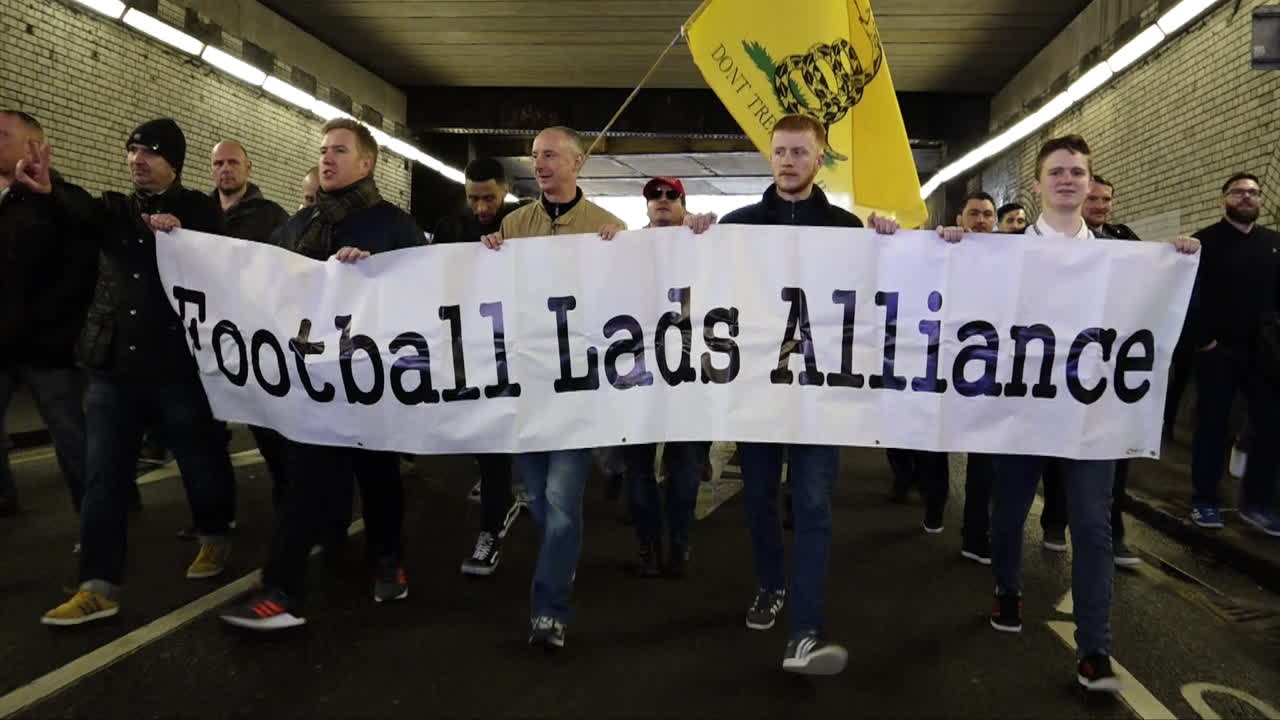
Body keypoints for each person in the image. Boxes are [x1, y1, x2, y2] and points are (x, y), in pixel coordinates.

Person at [939, 135, 1200, 691]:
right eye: (1056, 171)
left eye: (1077, 172)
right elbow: (958, 298)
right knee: (1008, 512)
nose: (1067, 179)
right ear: (1037, 185)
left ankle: (1095, 651)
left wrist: (1176, 264)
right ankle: (1008, 588)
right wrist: (950, 246)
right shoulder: (1001, 250)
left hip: (1091, 415)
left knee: (1093, 526)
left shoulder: (1121, 258)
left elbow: (1151, 317)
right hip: (1022, 411)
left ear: (1089, 181)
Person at [219, 119, 423, 631]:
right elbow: (269, 280)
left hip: (372, 381)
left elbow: (424, 297)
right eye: (323, 150)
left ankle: (387, 562)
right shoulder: (299, 225)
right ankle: (281, 590)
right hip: (314, 383)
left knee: (378, 480)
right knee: (303, 486)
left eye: (339, 150)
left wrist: (373, 273)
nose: (327, 158)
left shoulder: (395, 227)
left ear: (366, 163)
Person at [721, 114, 900, 675]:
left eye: (800, 152)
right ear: (769, 156)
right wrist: (694, 235)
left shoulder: (849, 229)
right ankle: (772, 583)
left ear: (820, 160)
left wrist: (891, 244)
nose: (788, 160)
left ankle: (805, 629)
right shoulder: (735, 225)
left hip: (821, 397)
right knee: (757, 502)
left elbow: (879, 296)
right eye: (780, 151)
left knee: (815, 505)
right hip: (757, 395)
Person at [42, 118, 236, 626]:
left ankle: (213, 535)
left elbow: (223, 262)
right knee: (104, 474)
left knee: (200, 456)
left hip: (178, 366)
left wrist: (183, 234)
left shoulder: (198, 209)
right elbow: (82, 213)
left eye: (149, 152)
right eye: (131, 151)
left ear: (174, 162)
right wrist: (51, 186)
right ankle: (97, 585)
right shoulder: (115, 210)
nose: (137, 160)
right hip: (113, 368)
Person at [481, 126, 627, 650]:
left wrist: (622, 256)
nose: (540, 164)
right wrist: (488, 253)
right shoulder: (514, 224)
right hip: (528, 383)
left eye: (550, 156)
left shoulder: (609, 228)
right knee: (538, 495)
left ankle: (549, 609)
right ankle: (559, 562)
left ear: (578, 162)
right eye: (535, 156)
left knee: (563, 498)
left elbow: (628, 300)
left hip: (577, 387)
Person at [432, 158, 526, 576]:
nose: (481, 206)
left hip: (515, 349)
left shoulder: (524, 223)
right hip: (465, 349)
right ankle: (503, 492)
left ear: (504, 190)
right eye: (473, 197)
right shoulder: (451, 226)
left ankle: (491, 527)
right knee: (483, 439)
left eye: (489, 197)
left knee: (495, 445)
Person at [0, 110, 96, 518]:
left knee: (71, 436)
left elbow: (88, 225)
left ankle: (98, 512)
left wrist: (48, 189)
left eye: (2, 135)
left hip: (48, 349)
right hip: (2, 344)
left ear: (32, 146)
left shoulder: (57, 197)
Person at [626, 176, 715, 577]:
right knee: (638, 467)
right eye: (654, 196)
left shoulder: (705, 241)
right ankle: (649, 541)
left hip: (690, 374)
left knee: (685, 468)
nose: (662, 200)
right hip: (636, 374)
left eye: (670, 195)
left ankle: (679, 540)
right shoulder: (623, 247)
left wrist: (710, 229)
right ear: (646, 207)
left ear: (683, 203)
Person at [1187, 172, 1280, 535]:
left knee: (1271, 426)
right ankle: (1204, 500)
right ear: (1223, 198)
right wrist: (1203, 341)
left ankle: (1255, 504)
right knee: (1212, 427)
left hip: (1264, 356)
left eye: (1253, 193)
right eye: (1238, 192)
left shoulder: (1274, 244)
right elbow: (1189, 299)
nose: (1246, 197)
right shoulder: (1203, 242)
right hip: (1218, 352)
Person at [209, 140, 291, 509]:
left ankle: (288, 500)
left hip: (253, 337)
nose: (225, 169)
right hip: (210, 337)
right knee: (207, 435)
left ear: (248, 168)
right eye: (218, 163)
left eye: (233, 162)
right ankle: (215, 515)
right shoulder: (199, 213)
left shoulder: (271, 216)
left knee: (267, 426)